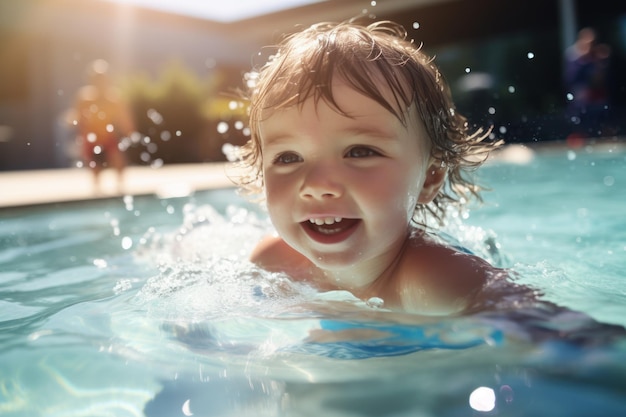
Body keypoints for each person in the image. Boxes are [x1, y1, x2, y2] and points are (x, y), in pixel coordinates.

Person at [235, 20, 504, 315]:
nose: (317, 185)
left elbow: (547, 336)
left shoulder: (441, 282)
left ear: (430, 176)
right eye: (288, 158)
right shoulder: (274, 263)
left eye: (359, 152)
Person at [71, 59, 135, 193]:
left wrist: (130, 132)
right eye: (97, 79)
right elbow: (78, 118)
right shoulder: (85, 98)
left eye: (102, 79)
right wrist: (79, 134)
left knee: (118, 161)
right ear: (91, 81)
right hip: (90, 137)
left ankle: (120, 189)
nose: (100, 83)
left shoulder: (114, 98)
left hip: (107, 136)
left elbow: (124, 119)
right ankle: (97, 190)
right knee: (95, 168)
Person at [564, 27, 612, 140]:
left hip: (595, 96)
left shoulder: (597, 56)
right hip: (581, 98)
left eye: (592, 43)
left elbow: (602, 80)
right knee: (581, 111)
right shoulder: (574, 56)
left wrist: (600, 63)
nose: (590, 46)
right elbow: (570, 79)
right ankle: (580, 135)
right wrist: (583, 60)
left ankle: (604, 135)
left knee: (602, 109)